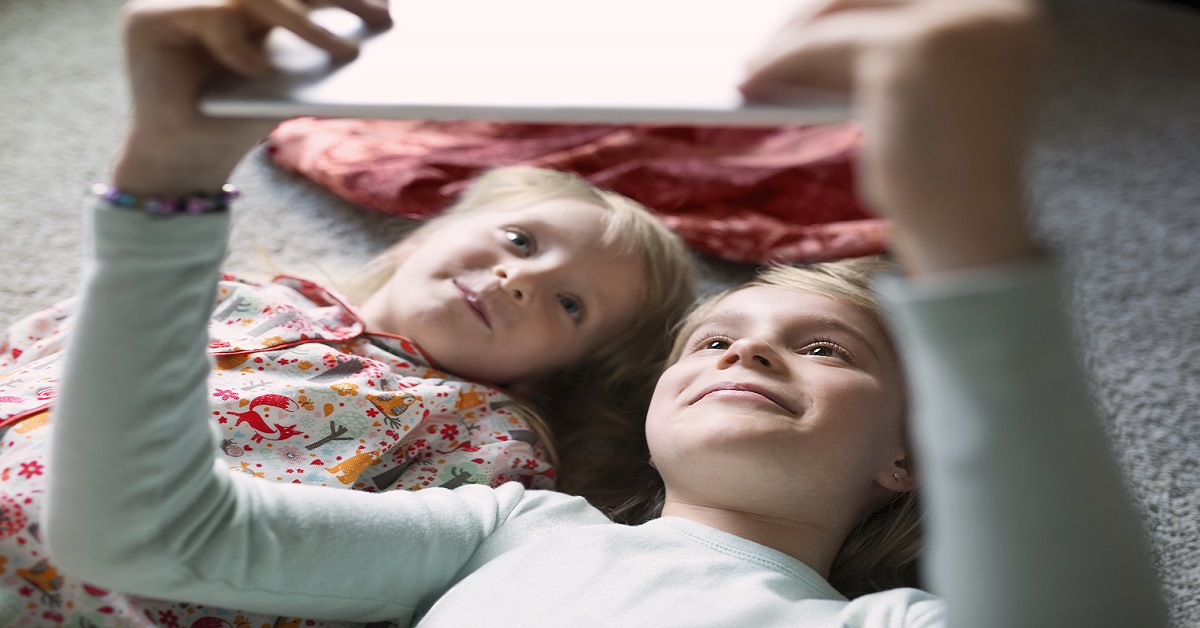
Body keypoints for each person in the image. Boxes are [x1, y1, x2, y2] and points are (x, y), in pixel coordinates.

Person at [38, 0, 1168, 626]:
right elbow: (140, 533)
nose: (748, 344)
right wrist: (167, 178)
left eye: (823, 347)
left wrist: (968, 237)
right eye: (713, 340)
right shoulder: (512, 525)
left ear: (911, 457)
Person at [0, 3, 695, 626]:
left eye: (571, 304)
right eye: (520, 240)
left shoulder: (496, 438)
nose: (519, 278)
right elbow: (45, 346)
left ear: (558, 373)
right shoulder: (237, 290)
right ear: (431, 229)